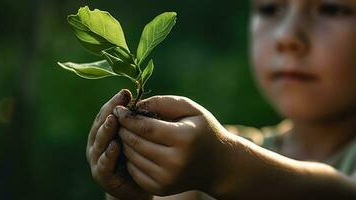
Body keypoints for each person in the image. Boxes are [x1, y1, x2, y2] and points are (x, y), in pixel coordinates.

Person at [86, 0, 356, 199]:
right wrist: (136, 193)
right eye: (270, 9)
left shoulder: (217, 160)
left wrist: (227, 169)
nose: (287, 36)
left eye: (333, 9)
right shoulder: (200, 169)